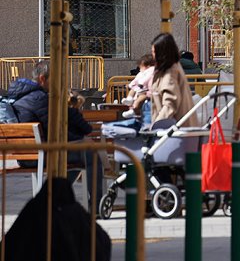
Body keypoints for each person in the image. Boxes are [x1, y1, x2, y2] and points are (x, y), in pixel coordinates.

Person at [8, 60, 104, 210]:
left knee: (79, 155)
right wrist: (74, 118)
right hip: (41, 155)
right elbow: (61, 131)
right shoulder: (41, 99)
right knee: (90, 154)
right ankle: (96, 207)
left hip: (26, 155)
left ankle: (55, 197)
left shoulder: (21, 97)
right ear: (42, 79)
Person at [150, 33, 199, 127]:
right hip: (178, 130)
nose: (153, 56)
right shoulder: (172, 67)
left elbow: (170, 104)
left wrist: (155, 127)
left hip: (175, 132)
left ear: (162, 53)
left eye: (154, 52)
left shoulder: (170, 72)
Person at [122, 54, 155, 120]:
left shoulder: (150, 71)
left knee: (138, 100)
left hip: (145, 90)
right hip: (140, 88)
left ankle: (133, 110)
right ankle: (129, 99)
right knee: (133, 92)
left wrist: (140, 84)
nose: (140, 69)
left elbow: (145, 80)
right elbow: (136, 80)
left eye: (141, 67)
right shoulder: (141, 73)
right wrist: (131, 85)